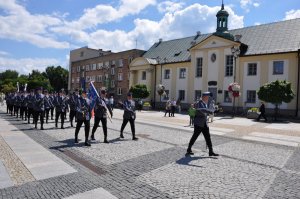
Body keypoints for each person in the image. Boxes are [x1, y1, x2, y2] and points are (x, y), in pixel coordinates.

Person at [186, 92, 219, 156]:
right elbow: (203, 110)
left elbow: (206, 110)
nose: (208, 98)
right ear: (204, 97)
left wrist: (214, 110)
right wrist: (212, 111)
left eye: (209, 97)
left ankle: (211, 151)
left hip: (204, 123)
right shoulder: (199, 103)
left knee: (208, 137)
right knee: (195, 136)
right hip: (198, 123)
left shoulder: (205, 103)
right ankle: (189, 149)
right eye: (207, 97)